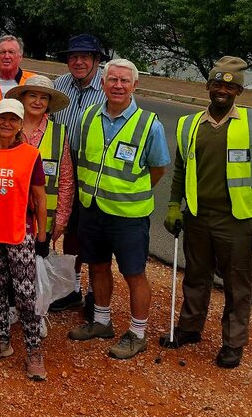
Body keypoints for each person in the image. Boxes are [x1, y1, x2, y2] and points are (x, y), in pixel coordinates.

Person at [163, 57, 252, 369]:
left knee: (236, 284)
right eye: (217, 84)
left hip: (236, 220)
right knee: (196, 276)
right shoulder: (189, 125)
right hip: (197, 216)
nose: (222, 90)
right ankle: (189, 327)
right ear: (208, 86)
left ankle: (233, 343)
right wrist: (174, 205)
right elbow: (181, 169)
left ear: (238, 90)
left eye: (230, 86)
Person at [67, 58, 170, 360]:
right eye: (113, 79)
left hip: (129, 215)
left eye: (125, 80)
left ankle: (137, 334)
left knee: (134, 274)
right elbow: (78, 155)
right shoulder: (87, 117)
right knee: (98, 266)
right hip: (92, 209)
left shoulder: (149, 124)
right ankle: (101, 322)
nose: (118, 85)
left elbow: (158, 168)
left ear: (135, 85)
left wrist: (128, 192)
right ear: (103, 83)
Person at [0, 98, 50, 380]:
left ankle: (34, 351)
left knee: (26, 295)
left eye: (13, 119)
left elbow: (39, 197)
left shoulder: (30, 155)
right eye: (1, 118)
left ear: (20, 125)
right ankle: (1, 341)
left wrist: (42, 234)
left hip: (19, 233)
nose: (6, 123)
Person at [49, 34, 108, 317]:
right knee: (71, 231)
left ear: (97, 60)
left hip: (94, 171)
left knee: (94, 235)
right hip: (64, 169)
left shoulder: (109, 86)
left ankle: (96, 293)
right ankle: (72, 288)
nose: (79, 62)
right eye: (73, 57)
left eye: (85, 56)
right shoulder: (59, 86)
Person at [8, 75, 75, 243]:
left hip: (43, 219)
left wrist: (62, 217)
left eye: (43, 98)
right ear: (22, 98)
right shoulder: (8, 128)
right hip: (8, 213)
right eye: (32, 96)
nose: (37, 102)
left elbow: (66, 179)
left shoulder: (58, 133)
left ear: (48, 103)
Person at [0, 35, 35, 101]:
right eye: (3, 52)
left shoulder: (32, 82)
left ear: (20, 57)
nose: (6, 56)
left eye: (11, 52)